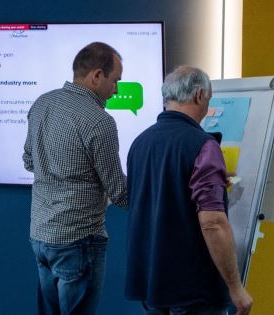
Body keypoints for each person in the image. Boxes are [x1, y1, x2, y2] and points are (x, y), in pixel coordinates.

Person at [125, 65, 253, 315]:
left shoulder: (140, 142)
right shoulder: (203, 145)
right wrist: (236, 288)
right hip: (192, 288)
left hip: (151, 283)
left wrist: (212, 180)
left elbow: (164, 193)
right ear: (199, 96)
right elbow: (213, 223)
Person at [23, 42, 128, 315]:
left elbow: (29, 161)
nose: (116, 90)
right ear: (96, 76)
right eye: (115, 80)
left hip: (41, 237)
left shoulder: (41, 103)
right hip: (78, 241)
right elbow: (119, 192)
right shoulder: (99, 121)